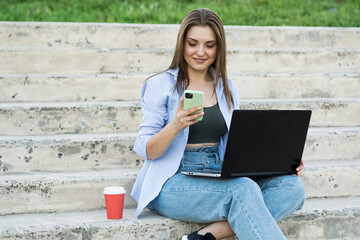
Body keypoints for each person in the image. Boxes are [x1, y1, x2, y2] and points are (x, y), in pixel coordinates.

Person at [131, 8, 305, 240]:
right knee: (243, 190)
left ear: (218, 48)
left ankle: (209, 234)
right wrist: (176, 125)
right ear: (182, 44)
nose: (200, 52)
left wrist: (281, 160)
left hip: (219, 171)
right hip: (173, 181)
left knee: (292, 187)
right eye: (193, 43)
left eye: (209, 45)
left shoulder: (227, 86)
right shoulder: (160, 85)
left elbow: (237, 141)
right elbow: (147, 150)